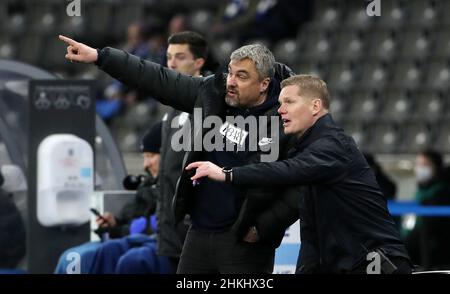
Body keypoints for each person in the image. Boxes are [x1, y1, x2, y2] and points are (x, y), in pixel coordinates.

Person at [58, 35, 297, 273]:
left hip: (244, 244)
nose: (231, 82)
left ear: (264, 84)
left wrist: (262, 228)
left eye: (242, 77)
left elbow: (298, 186)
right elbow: (157, 79)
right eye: (231, 73)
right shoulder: (212, 92)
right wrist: (102, 57)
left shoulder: (288, 119)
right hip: (198, 236)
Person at [186, 75, 412, 274]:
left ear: (315, 107)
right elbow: (311, 232)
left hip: (374, 263)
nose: (280, 109)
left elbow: (287, 171)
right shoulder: (306, 149)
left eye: (289, 102)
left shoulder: (333, 145)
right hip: (343, 263)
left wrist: (227, 174)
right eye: (280, 103)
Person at [55, 123, 165, 274]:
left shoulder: (172, 188)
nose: (145, 164)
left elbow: (149, 226)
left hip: (150, 245)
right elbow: (131, 217)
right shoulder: (147, 186)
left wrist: (124, 228)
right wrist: (115, 222)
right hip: (127, 239)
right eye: (144, 157)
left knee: (101, 255)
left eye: (151, 156)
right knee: (71, 257)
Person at [402, 149, 450, 270]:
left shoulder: (441, 193)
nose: (419, 169)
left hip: (432, 261)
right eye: (418, 165)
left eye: (425, 165)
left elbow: (426, 229)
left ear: (436, 168)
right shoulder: (421, 191)